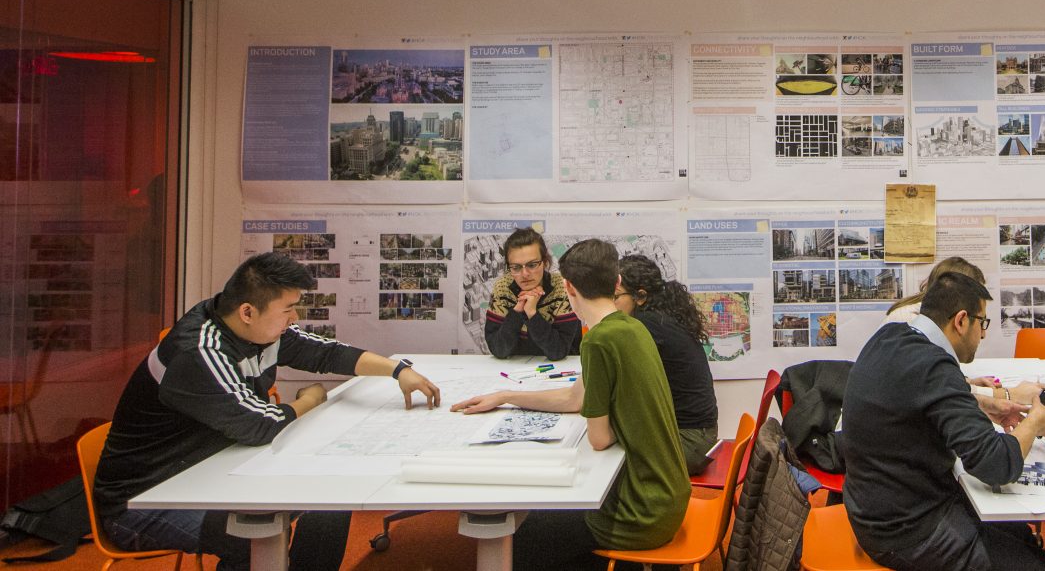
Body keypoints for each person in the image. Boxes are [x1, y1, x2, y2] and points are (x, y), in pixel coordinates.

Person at [94, 252, 442, 571]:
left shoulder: (251, 328)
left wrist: (398, 370)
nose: (295, 318)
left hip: (216, 469)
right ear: (248, 311)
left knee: (329, 503)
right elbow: (261, 425)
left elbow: (327, 353)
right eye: (288, 309)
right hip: (147, 500)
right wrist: (312, 400)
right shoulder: (200, 353)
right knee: (251, 537)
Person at [453, 239, 689, 571]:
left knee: (524, 543)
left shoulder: (597, 340)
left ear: (569, 287)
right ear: (617, 281)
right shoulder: (630, 327)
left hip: (643, 510)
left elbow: (599, 438)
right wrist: (506, 396)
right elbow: (573, 398)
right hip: (669, 494)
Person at [842, 272, 1045, 571]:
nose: (984, 334)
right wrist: (1035, 423)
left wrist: (981, 402)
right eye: (982, 323)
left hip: (875, 509)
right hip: (908, 532)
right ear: (961, 321)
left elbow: (916, 398)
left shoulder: (892, 336)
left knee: (1021, 537)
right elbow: (997, 466)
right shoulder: (934, 365)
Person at [615, 254, 719, 475]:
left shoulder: (648, 326)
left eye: (615, 297)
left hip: (690, 443)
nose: (610, 304)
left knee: (608, 462)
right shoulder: (660, 318)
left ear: (640, 296)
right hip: (698, 435)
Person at [885, 256, 1015, 404]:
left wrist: (967, 382)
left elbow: (933, 378)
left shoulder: (926, 316)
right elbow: (931, 388)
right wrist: (1006, 394)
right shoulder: (911, 321)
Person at [483, 227, 582, 360]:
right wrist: (517, 311)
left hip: (559, 370)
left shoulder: (562, 288)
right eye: (516, 267)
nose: (525, 274)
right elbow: (499, 349)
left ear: (545, 262)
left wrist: (532, 313)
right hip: (514, 371)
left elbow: (559, 351)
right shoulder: (502, 288)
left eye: (532, 265)